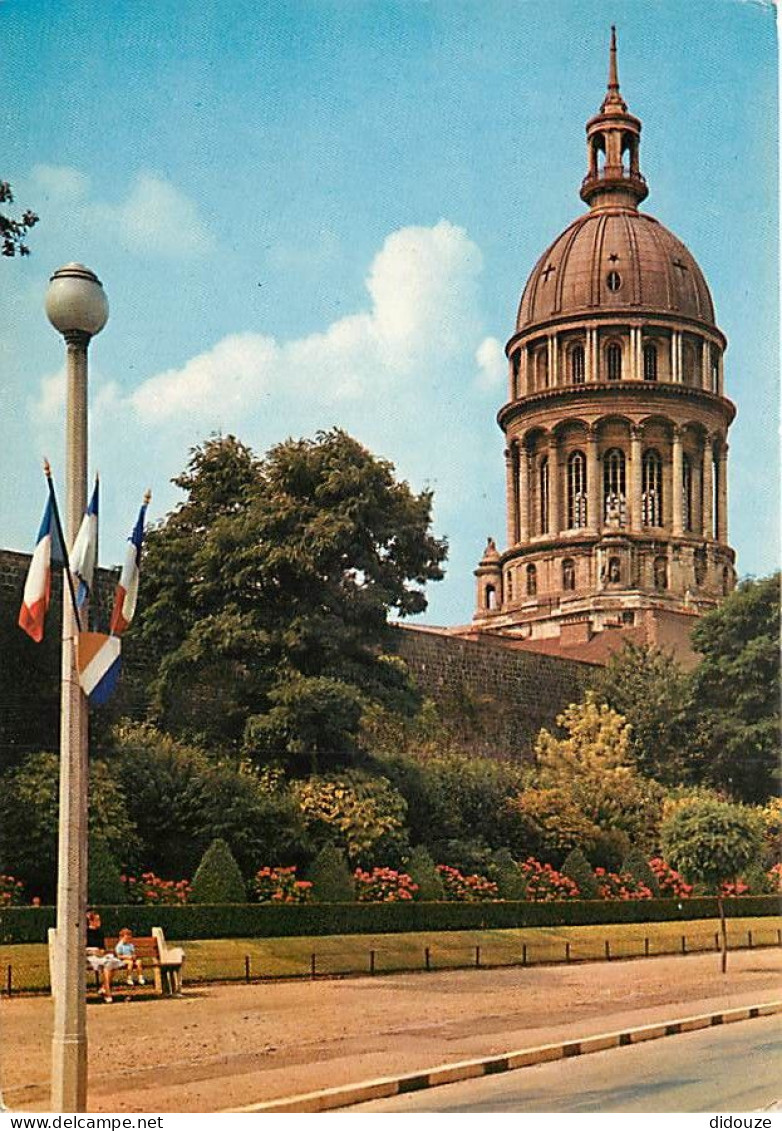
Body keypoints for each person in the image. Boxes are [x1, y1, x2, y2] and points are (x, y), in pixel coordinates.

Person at [85, 909, 123, 1002]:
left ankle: (103, 987)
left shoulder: (100, 932)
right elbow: (82, 947)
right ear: (91, 921)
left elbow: (103, 948)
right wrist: (92, 951)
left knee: (112, 962)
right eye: (97, 920)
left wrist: (101, 952)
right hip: (90, 956)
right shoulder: (85, 932)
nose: (99, 922)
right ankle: (108, 993)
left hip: (100, 955)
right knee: (107, 965)